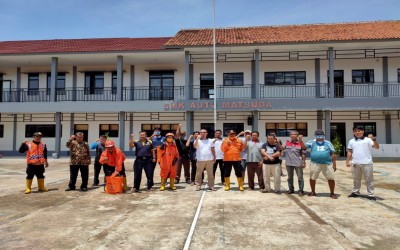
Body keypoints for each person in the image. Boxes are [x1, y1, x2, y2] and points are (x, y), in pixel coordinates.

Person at [302, 129, 337, 199]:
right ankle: (313, 191)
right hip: (315, 163)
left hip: (327, 163)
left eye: (321, 134)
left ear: (323, 135)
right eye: (317, 135)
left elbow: (333, 154)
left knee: (331, 178)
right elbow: (304, 147)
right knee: (312, 178)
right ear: (315, 136)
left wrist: (334, 164)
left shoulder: (328, 143)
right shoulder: (312, 142)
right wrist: (300, 140)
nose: (319, 136)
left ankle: (332, 193)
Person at [346, 126, 380, 200]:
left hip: (367, 163)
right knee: (356, 179)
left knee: (369, 179)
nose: (357, 132)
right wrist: (347, 161)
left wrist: (373, 139)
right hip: (355, 163)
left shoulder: (368, 140)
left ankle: (371, 194)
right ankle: (355, 192)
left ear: (363, 131)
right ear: (353, 132)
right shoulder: (351, 141)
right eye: (355, 131)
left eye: (359, 131)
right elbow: (349, 151)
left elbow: (377, 147)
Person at [278, 130, 307, 196]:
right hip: (289, 163)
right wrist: (278, 143)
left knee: (300, 177)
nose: (293, 135)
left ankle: (301, 190)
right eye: (291, 134)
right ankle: (291, 189)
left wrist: (303, 162)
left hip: (298, 163)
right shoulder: (287, 142)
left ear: (297, 135)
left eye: (294, 134)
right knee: (290, 177)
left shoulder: (300, 143)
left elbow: (304, 151)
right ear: (290, 136)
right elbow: (282, 148)